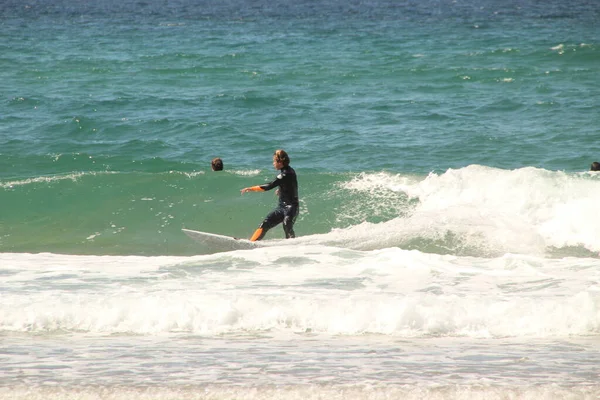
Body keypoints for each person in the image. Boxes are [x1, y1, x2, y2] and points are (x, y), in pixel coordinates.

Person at [241, 149, 299, 241]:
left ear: (280, 162)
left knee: (287, 225)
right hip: (281, 207)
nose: (273, 163)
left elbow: (268, 186)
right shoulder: (289, 171)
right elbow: (288, 183)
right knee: (265, 224)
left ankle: (293, 244)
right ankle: (252, 242)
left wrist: (251, 188)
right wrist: (280, 189)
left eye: (274, 161)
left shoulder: (285, 174)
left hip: (291, 207)